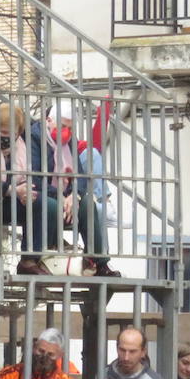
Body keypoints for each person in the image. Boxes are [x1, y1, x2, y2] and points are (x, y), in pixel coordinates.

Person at [44, 99, 120, 277]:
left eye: (70, 128)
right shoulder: (35, 137)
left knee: (88, 204)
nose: (66, 132)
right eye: (63, 126)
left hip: (67, 197)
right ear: (49, 121)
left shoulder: (69, 140)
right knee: (52, 205)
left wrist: (75, 196)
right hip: (45, 195)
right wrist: (61, 197)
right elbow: (35, 177)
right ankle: (39, 258)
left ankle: (99, 262)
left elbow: (80, 177)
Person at [0, 102, 59, 276]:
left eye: (11, 135)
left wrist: (25, 190)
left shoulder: (24, 143)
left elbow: (31, 174)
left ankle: (29, 259)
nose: (6, 138)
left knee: (38, 200)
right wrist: (11, 189)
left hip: (14, 202)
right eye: (2, 134)